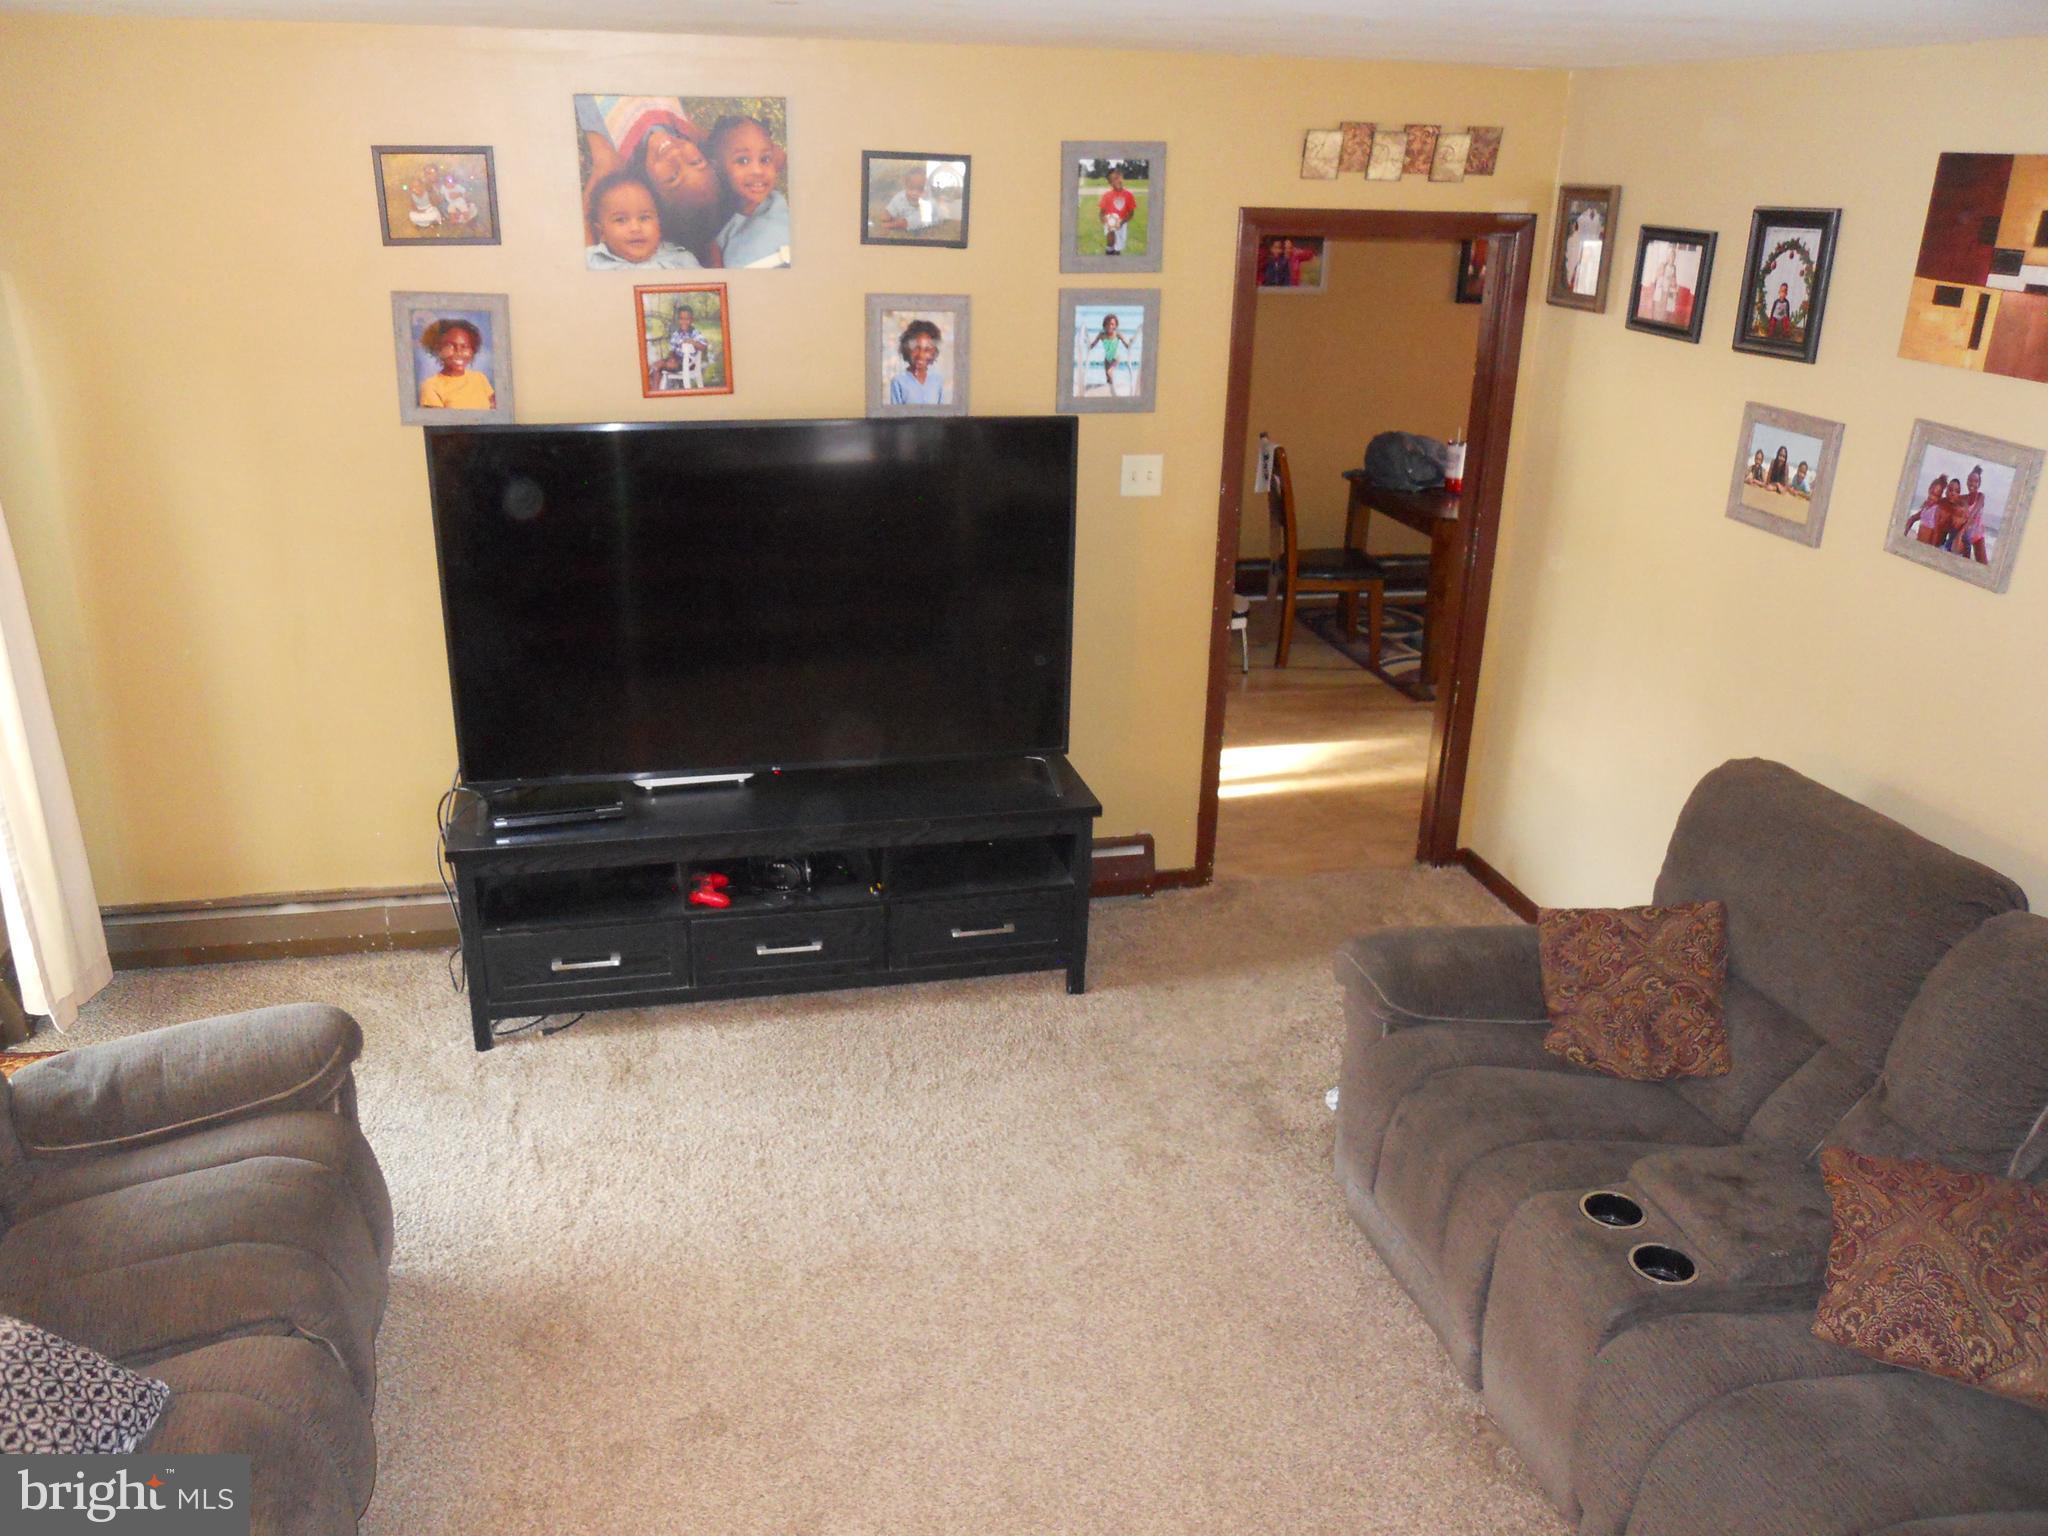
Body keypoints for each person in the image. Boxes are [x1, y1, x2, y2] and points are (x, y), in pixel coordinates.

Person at [577, 96, 727, 265]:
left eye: (672, 178)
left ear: (651, 194)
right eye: (696, 162)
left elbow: (587, 225)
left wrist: (603, 167)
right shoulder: (685, 131)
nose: (676, 154)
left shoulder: (614, 154)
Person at [709, 115, 791, 269]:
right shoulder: (718, 225)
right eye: (743, 161)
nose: (758, 171)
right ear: (717, 168)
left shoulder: (777, 204)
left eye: (765, 159)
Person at [583, 168, 701, 269]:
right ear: (601, 232)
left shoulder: (681, 260)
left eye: (644, 218)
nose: (636, 228)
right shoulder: (590, 262)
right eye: (621, 220)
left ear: (659, 224)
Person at [417, 318, 495, 410]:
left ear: (472, 351)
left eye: (464, 346)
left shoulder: (480, 378)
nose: (459, 352)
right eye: (450, 346)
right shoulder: (431, 386)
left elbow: (495, 412)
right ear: (438, 350)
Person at [889, 319, 946, 406]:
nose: (921, 355)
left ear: (933, 352)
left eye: (927, 349)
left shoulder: (937, 381)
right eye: (916, 348)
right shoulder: (898, 381)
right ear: (907, 348)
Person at [658, 308, 711, 390]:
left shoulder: (695, 333)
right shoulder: (676, 334)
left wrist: (692, 342)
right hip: (676, 361)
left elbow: (703, 346)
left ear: (692, 320)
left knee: (659, 366)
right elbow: (672, 350)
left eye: (687, 319)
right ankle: (657, 391)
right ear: (678, 320)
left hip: (689, 364)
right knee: (656, 366)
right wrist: (671, 358)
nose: (684, 322)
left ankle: (660, 390)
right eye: (681, 319)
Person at [1085, 314, 1135, 395]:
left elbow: (1127, 346)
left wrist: (1131, 342)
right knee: (1108, 378)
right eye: (1107, 324)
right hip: (1107, 359)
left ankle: (1114, 391)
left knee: (1109, 372)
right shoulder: (1102, 335)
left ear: (1115, 325)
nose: (1110, 326)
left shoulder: (1117, 334)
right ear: (1104, 325)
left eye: (1112, 324)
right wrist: (1087, 343)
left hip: (1115, 358)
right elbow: (1092, 345)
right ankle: (1109, 393)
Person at [878, 165, 935, 235]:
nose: (915, 193)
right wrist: (887, 214)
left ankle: (891, 225)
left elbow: (923, 218)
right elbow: (892, 206)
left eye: (920, 190)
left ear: (927, 189)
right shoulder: (900, 197)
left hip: (918, 218)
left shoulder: (927, 201)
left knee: (917, 220)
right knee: (886, 215)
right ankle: (893, 222)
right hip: (904, 217)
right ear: (905, 186)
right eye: (911, 188)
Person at [1950, 464, 1990, 563]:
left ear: (1979, 484)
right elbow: (1950, 498)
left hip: (1977, 534)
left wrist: (1961, 531)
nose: (1972, 483)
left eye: (1976, 481)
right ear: (1967, 482)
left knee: (1983, 563)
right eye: (1970, 480)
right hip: (1965, 536)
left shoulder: (1981, 496)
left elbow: (1973, 514)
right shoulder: (1963, 498)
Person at [1098, 164, 1137, 256]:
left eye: (1119, 177)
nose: (1118, 180)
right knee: (1110, 240)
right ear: (1110, 182)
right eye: (1114, 179)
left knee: (1118, 247)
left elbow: (1131, 214)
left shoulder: (1128, 195)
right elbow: (1101, 213)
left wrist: (1122, 222)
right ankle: (1109, 252)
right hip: (1109, 222)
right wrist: (1104, 220)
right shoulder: (1106, 195)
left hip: (1122, 223)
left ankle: (1116, 256)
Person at [1904, 475, 1950, 544]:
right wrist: (1905, 532)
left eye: (1936, 496)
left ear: (1940, 497)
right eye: (1931, 493)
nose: (1932, 497)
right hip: (1918, 541)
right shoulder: (1926, 506)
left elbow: (1936, 533)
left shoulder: (1937, 509)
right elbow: (1913, 518)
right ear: (1929, 490)